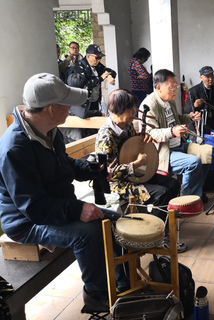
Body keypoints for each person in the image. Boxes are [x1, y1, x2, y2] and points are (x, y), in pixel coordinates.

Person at [0, 73, 128, 312]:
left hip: (53, 206)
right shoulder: (15, 149)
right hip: (25, 221)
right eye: (67, 103)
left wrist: (93, 169)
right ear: (51, 109)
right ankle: (97, 295)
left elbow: (63, 163)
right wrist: (78, 209)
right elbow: (34, 208)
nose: (71, 108)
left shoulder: (48, 129)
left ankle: (123, 285)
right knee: (88, 233)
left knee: (116, 221)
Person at [95, 89, 183, 251]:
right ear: (117, 111)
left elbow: (132, 147)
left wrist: (145, 140)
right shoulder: (106, 137)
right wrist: (135, 165)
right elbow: (108, 174)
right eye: (130, 109)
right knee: (161, 193)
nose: (134, 111)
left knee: (173, 184)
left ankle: (158, 227)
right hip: (118, 184)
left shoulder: (126, 126)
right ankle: (154, 237)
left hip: (134, 175)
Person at [142, 69, 209, 202]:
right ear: (159, 87)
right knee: (193, 162)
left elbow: (176, 118)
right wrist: (172, 132)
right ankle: (185, 201)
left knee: (206, 153)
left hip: (178, 145)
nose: (175, 90)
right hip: (162, 152)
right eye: (171, 87)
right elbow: (150, 133)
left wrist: (190, 117)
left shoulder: (169, 100)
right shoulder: (149, 104)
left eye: (176, 86)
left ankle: (196, 193)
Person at [71, 44, 116, 115]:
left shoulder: (97, 66)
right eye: (97, 57)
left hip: (95, 100)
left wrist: (110, 76)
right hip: (84, 103)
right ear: (88, 56)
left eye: (100, 58)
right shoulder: (80, 66)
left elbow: (111, 71)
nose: (99, 60)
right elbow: (85, 85)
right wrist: (100, 78)